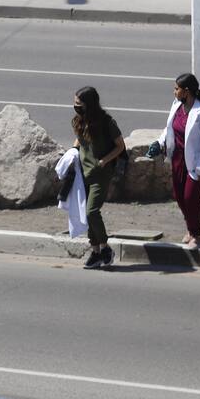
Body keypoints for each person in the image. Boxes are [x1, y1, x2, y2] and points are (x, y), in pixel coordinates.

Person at [149, 73, 200, 250]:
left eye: (176, 89)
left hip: (196, 163)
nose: (174, 92)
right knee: (180, 197)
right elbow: (169, 129)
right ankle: (190, 227)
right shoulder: (177, 106)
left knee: (190, 198)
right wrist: (159, 142)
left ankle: (196, 235)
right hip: (178, 160)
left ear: (186, 91)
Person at [72, 86, 125, 268]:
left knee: (92, 211)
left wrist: (103, 161)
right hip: (83, 174)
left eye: (79, 103)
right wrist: (72, 152)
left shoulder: (106, 122)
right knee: (87, 215)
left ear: (90, 104)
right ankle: (95, 252)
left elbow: (120, 146)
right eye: (75, 103)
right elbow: (80, 139)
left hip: (100, 174)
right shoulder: (79, 121)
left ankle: (105, 248)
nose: (75, 106)